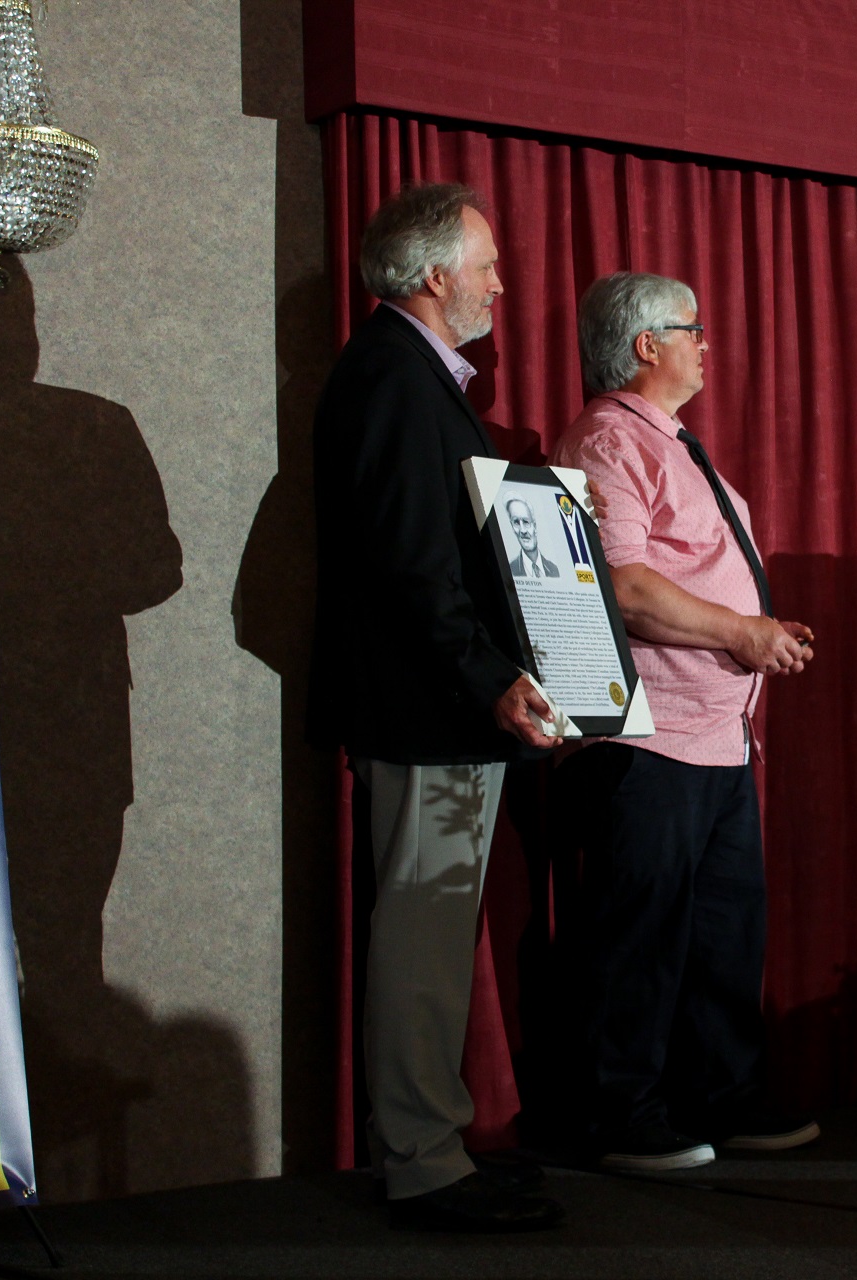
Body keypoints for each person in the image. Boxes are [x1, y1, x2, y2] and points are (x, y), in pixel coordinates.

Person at [309, 183, 572, 1231]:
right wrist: (490, 678)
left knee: (433, 938)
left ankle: (437, 1143)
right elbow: (413, 565)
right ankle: (422, 1162)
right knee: (421, 944)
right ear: (433, 275)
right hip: (423, 711)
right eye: (487, 262)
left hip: (437, 706)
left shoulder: (412, 376)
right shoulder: (391, 376)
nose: (500, 283)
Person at [547, 271, 818, 1172]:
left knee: (723, 940)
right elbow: (621, 586)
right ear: (646, 345)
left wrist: (759, 632)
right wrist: (743, 631)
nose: (706, 344)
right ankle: (620, 1115)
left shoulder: (671, 441)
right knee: (641, 941)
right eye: (692, 329)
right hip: (648, 738)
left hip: (718, 736)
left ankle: (722, 1099)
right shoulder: (607, 441)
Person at [506, 497, 560, 578]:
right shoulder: (510, 570)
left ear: (535, 526)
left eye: (526, 522)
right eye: (516, 522)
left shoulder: (555, 570)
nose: (523, 530)